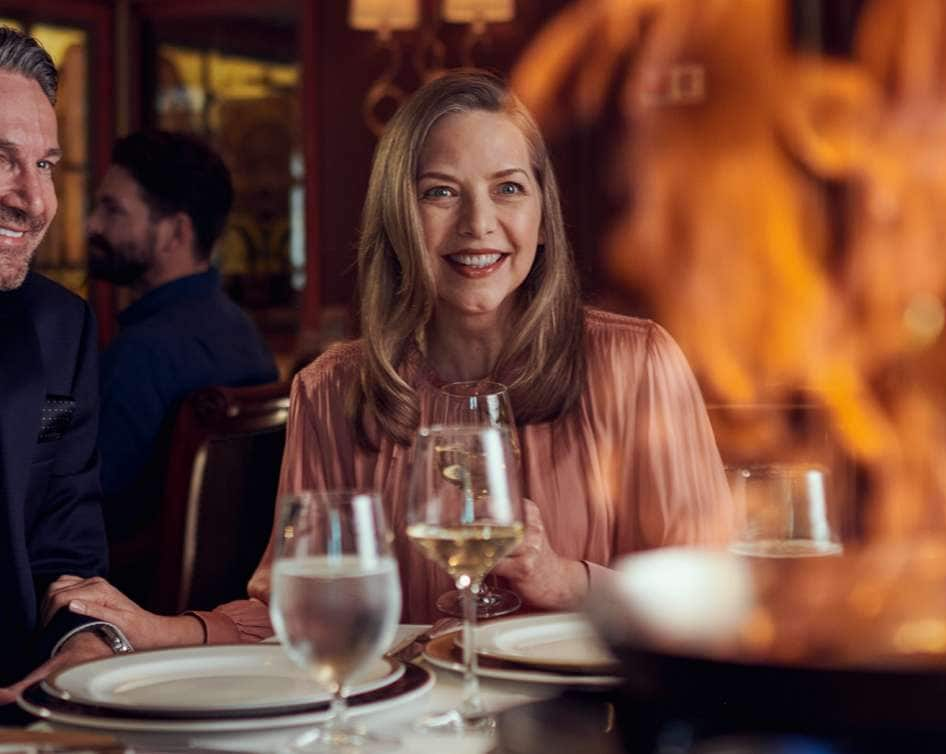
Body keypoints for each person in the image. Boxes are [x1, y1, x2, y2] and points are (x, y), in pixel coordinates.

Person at [43, 70, 733, 646]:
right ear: (398, 215)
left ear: (543, 215)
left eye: (508, 187)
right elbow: (299, 613)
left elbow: (714, 602)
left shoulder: (638, 365)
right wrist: (152, 628)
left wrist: (563, 579)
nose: (478, 224)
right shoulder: (333, 389)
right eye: (440, 192)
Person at [87, 130, 278, 602]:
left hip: (131, 606)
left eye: (113, 211)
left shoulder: (141, 353)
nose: (91, 225)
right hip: (225, 605)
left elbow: (80, 507)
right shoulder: (243, 333)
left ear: (176, 232)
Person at [0, 26, 124, 713]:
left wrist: (86, 642)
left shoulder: (61, 329)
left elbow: (66, 556)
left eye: (45, 164)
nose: (35, 199)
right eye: (1, 157)